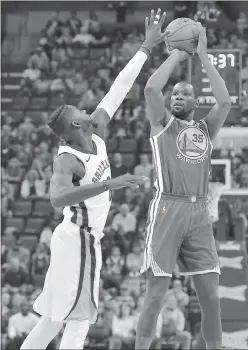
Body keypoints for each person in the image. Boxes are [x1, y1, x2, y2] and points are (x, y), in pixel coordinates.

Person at [21, 9, 169, 350]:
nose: (87, 110)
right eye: (79, 111)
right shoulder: (68, 160)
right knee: (79, 320)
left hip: (76, 240)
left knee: (52, 320)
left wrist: (146, 47)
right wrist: (107, 185)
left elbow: (119, 86)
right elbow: (57, 200)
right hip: (79, 239)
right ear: (75, 126)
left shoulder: (96, 129)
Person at [135, 22, 232, 350]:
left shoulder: (206, 128)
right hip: (167, 208)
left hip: (199, 211)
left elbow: (225, 102)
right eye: (175, 93)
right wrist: (177, 53)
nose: (177, 96)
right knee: (156, 296)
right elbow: (151, 89)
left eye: (184, 93)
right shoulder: (162, 124)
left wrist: (203, 57)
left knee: (211, 297)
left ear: (194, 100)